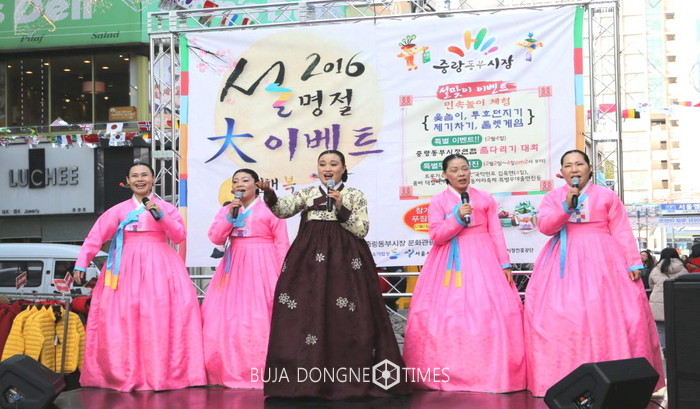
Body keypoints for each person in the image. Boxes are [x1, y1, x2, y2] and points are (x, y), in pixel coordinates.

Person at [259, 150, 410, 399]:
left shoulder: (354, 195)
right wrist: (269, 193)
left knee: (346, 315)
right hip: (308, 263)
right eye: (322, 164)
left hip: (346, 263)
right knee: (306, 314)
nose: (327, 168)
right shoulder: (307, 193)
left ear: (343, 168)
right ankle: (305, 382)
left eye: (333, 164)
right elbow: (282, 210)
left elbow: (361, 229)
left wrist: (340, 207)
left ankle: (348, 378)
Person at [523, 150, 664, 397]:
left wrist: (632, 263)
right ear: (561, 172)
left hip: (605, 260)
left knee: (607, 314)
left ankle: (615, 374)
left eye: (579, 164)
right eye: (568, 165)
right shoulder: (553, 197)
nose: (574, 169)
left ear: (589, 168)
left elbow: (620, 229)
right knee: (564, 317)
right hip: (562, 261)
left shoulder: (607, 195)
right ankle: (561, 376)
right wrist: (566, 206)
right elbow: (546, 226)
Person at [72, 161, 206, 391]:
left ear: (153, 179)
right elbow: (95, 237)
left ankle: (162, 372)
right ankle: (124, 371)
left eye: (145, 175)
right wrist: (81, 264)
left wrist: (160, 215)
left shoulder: (166, 208)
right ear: (128, 181)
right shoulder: (118, 210)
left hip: (161, 266)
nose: (140, 179)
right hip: (124, 267)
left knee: (158, 317)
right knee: (123, 318)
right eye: (135, 176)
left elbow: (178, 236)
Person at [403, 154, 526, 392]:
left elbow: (496, 232)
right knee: (449, 314)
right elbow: (437, 236)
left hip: (485, 259)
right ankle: (451, 370)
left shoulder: (485, 198)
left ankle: (490, 372)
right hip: (449, 261)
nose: (461, 174)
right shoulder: (438, 201)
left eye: (465, 168)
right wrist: (457, 218)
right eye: (454, 170)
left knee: (490, 313)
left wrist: (505, 264)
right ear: (444, 175)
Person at [201, 169, 289, 389]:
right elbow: (216, 237)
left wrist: (284, 273)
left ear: (256, 185)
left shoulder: (270, 207)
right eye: (236, 181)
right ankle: (228, 367)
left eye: (245, 180)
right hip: (234, 264)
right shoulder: (228, 209)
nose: (240, 184)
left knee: (260, 315)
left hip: (264, 263)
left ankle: (262, 368)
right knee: (226, 316)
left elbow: (281, 242)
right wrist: (230, 216)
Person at [648, 248, 688, 354]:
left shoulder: (655, 269)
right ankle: (677, 348)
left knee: (661, 328)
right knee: (678, 327)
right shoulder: (683, 269)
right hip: (677, 302)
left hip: (658, 302)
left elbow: (651, 285)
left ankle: (665, 348)